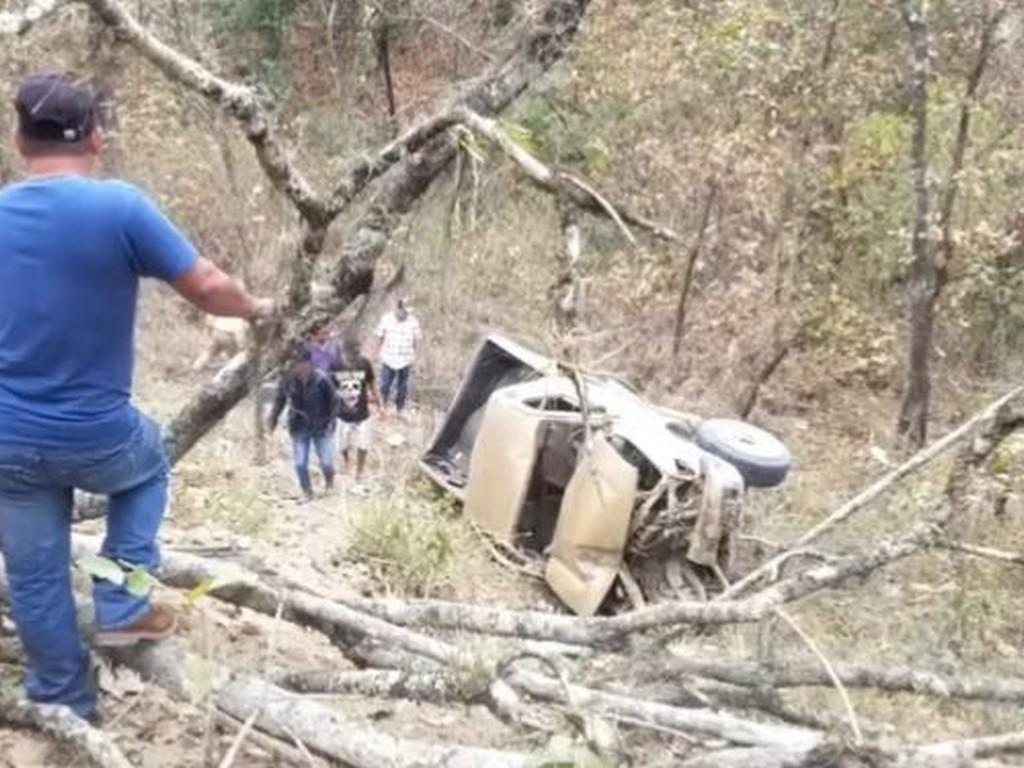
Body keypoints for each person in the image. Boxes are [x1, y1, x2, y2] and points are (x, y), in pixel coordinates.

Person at [0, 72, 274, 723]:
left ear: (17, 141)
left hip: (7, 438)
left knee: (36, 576)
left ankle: (63, 698)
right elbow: (206, 287)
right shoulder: (120, 207)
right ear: (96, 139)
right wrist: (259, 306)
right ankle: (123, 600)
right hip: (99, 438)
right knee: (148, 462)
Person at [268, 356, 338, 501]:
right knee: (300, 463)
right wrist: (272, 420)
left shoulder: (322, 379)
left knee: (327, 462)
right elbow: (279, 401)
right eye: (295, 366)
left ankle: (329, 484)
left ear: (309, 364)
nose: (299, 369)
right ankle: (307, 492)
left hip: (321, 426)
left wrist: (332, 422)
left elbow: (334, 402)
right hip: (299, 426)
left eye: (302, 365)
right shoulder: (288, 381)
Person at [335, 336, 381, 493]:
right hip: (342, 415)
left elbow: (372, 384)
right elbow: (329, 388)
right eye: (348, 354)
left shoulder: (364, 364)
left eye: (354, 354)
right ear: (343, 352)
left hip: (362, 414)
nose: (351, 358)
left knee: (363, 445)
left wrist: (379, 404)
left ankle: (359, 472)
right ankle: (348, 465)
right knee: (343, 446)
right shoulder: (336, 365)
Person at [374, 297, 421, 418]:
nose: (405, 314)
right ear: (398, 309)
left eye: (407, 313)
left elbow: (416, 340)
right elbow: (379, 336)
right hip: (388, 358)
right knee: (385, 385)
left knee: (402, 386)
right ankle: (382, 408)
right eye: (403, 312)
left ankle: (400, 409)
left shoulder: (413, 322)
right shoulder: (386, 319)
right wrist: (377, 352)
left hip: (405, 360)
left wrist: (412, 355)